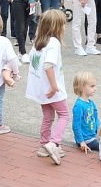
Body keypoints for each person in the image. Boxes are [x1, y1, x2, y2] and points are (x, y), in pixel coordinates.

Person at [25, 9, 69, 165]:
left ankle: (44, 145)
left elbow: (31, 60)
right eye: (63, 25)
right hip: (51, 89)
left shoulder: (39, 41)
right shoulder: (54, 43)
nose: (64, 28)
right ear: (56, 26)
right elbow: (48, 65)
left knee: (48, 116)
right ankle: (54, 143)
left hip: (41, 90)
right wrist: (54, 86)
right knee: (64, 114)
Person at [71, 71, 100, 153]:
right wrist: (81, 142)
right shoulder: (79, 106)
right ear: (82, 87)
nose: (95, 88)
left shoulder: (91, 103)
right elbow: (76, 126)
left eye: (95, 86)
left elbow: (96, 118)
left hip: (93, 137)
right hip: (87, 140)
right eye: (92, 86)